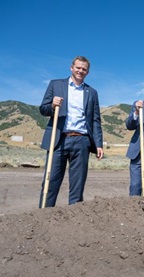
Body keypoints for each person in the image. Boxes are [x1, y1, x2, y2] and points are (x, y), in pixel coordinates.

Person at [39, 56, 104, 208]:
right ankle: (44, 215)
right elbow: (43, 109)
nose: (80, 71)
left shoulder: (92, 92)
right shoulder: (55, 85)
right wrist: (52, 105)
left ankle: (74, 218)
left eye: (84, 69)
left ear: (87, 72)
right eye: (78, 68)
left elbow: (95, 120)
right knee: (51, 180)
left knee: (78, 183)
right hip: (59, 139)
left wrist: (99, 144)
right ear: (71, 68)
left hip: (82, 141)